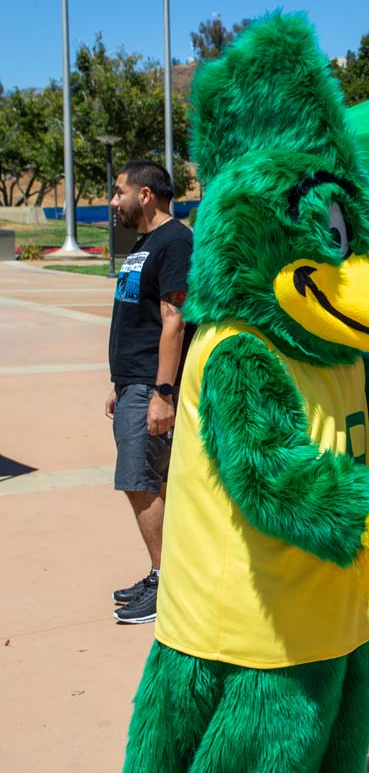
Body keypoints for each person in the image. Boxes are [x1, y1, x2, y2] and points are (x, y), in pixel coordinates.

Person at [105, 159, 193, 625]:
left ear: (145, 194)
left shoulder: (175, 241)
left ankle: (166, 583)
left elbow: (174, 320)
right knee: (147, 482)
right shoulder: (145, 243)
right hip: (133, 383)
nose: (113, 201)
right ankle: (162, 572)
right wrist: (120, 385)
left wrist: (162, 391)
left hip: (150, 386)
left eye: (119, 192)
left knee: (140, 482)